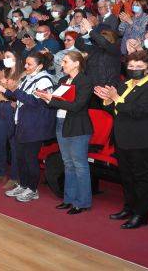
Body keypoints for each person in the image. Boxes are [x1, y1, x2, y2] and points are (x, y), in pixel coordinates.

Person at [95, 51, 148, 228]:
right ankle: (129, 207)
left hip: (141, 139)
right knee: (126, 176)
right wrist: (108, 100)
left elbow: (137, 111)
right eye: (131, 66)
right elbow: (117, 110)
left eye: (139, 67)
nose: (134, 69)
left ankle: (141, 214)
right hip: (122, 137)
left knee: (141, 178)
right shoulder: (125, 84)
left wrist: (115, 98)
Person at [0, 52, 56, 203]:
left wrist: (13, 90)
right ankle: (23, 184)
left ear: (40, 66)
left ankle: (32, 189)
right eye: (26, 63)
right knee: (21, 157)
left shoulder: (45, 80)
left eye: (29, 64)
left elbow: (36, 102)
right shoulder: (28, 78)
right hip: (22, 122)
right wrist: (3, 90)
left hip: (34, 125)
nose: (26, 66)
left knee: (30, 158)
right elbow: (17, 97)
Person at [37, 51, 93, 215]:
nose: (62, 64)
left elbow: (77, 106)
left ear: (76, 63)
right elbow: (55, 103)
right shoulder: (63, 80)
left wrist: (51, 99)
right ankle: (69, 199)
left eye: (66, 62)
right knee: (67, 164)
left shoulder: (85, 81)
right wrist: (46, 97)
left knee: (79, 165)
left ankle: (82, 202)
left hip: (77, 127)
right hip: (61, 123)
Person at [0, 51, 24, 188]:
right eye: (5, 57)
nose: (6, 59)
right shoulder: (4, 72)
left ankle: (15, 177)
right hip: (0, 106)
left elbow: (15, 93)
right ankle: (0, 173)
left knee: (14, 144)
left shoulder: (23, 74)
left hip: (13, 108)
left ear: (17, 58)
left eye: (9, 57)